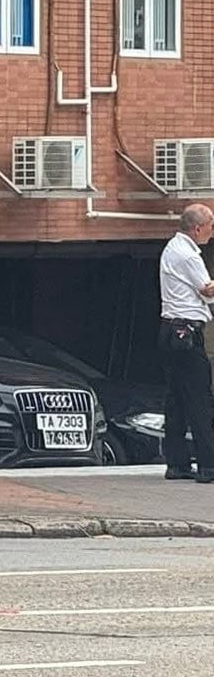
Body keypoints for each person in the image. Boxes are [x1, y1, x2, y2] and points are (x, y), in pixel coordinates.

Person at [157, 204, 214, 483]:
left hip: (170, 330)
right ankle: (208, 466)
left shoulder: (171, 247)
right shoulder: (190, 255)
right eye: (211, 226)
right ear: (198, 228)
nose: (212, 232)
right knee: (199, 398)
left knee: (176, 399)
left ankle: (177, 463)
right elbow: (207, 290)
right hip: (188, 332)